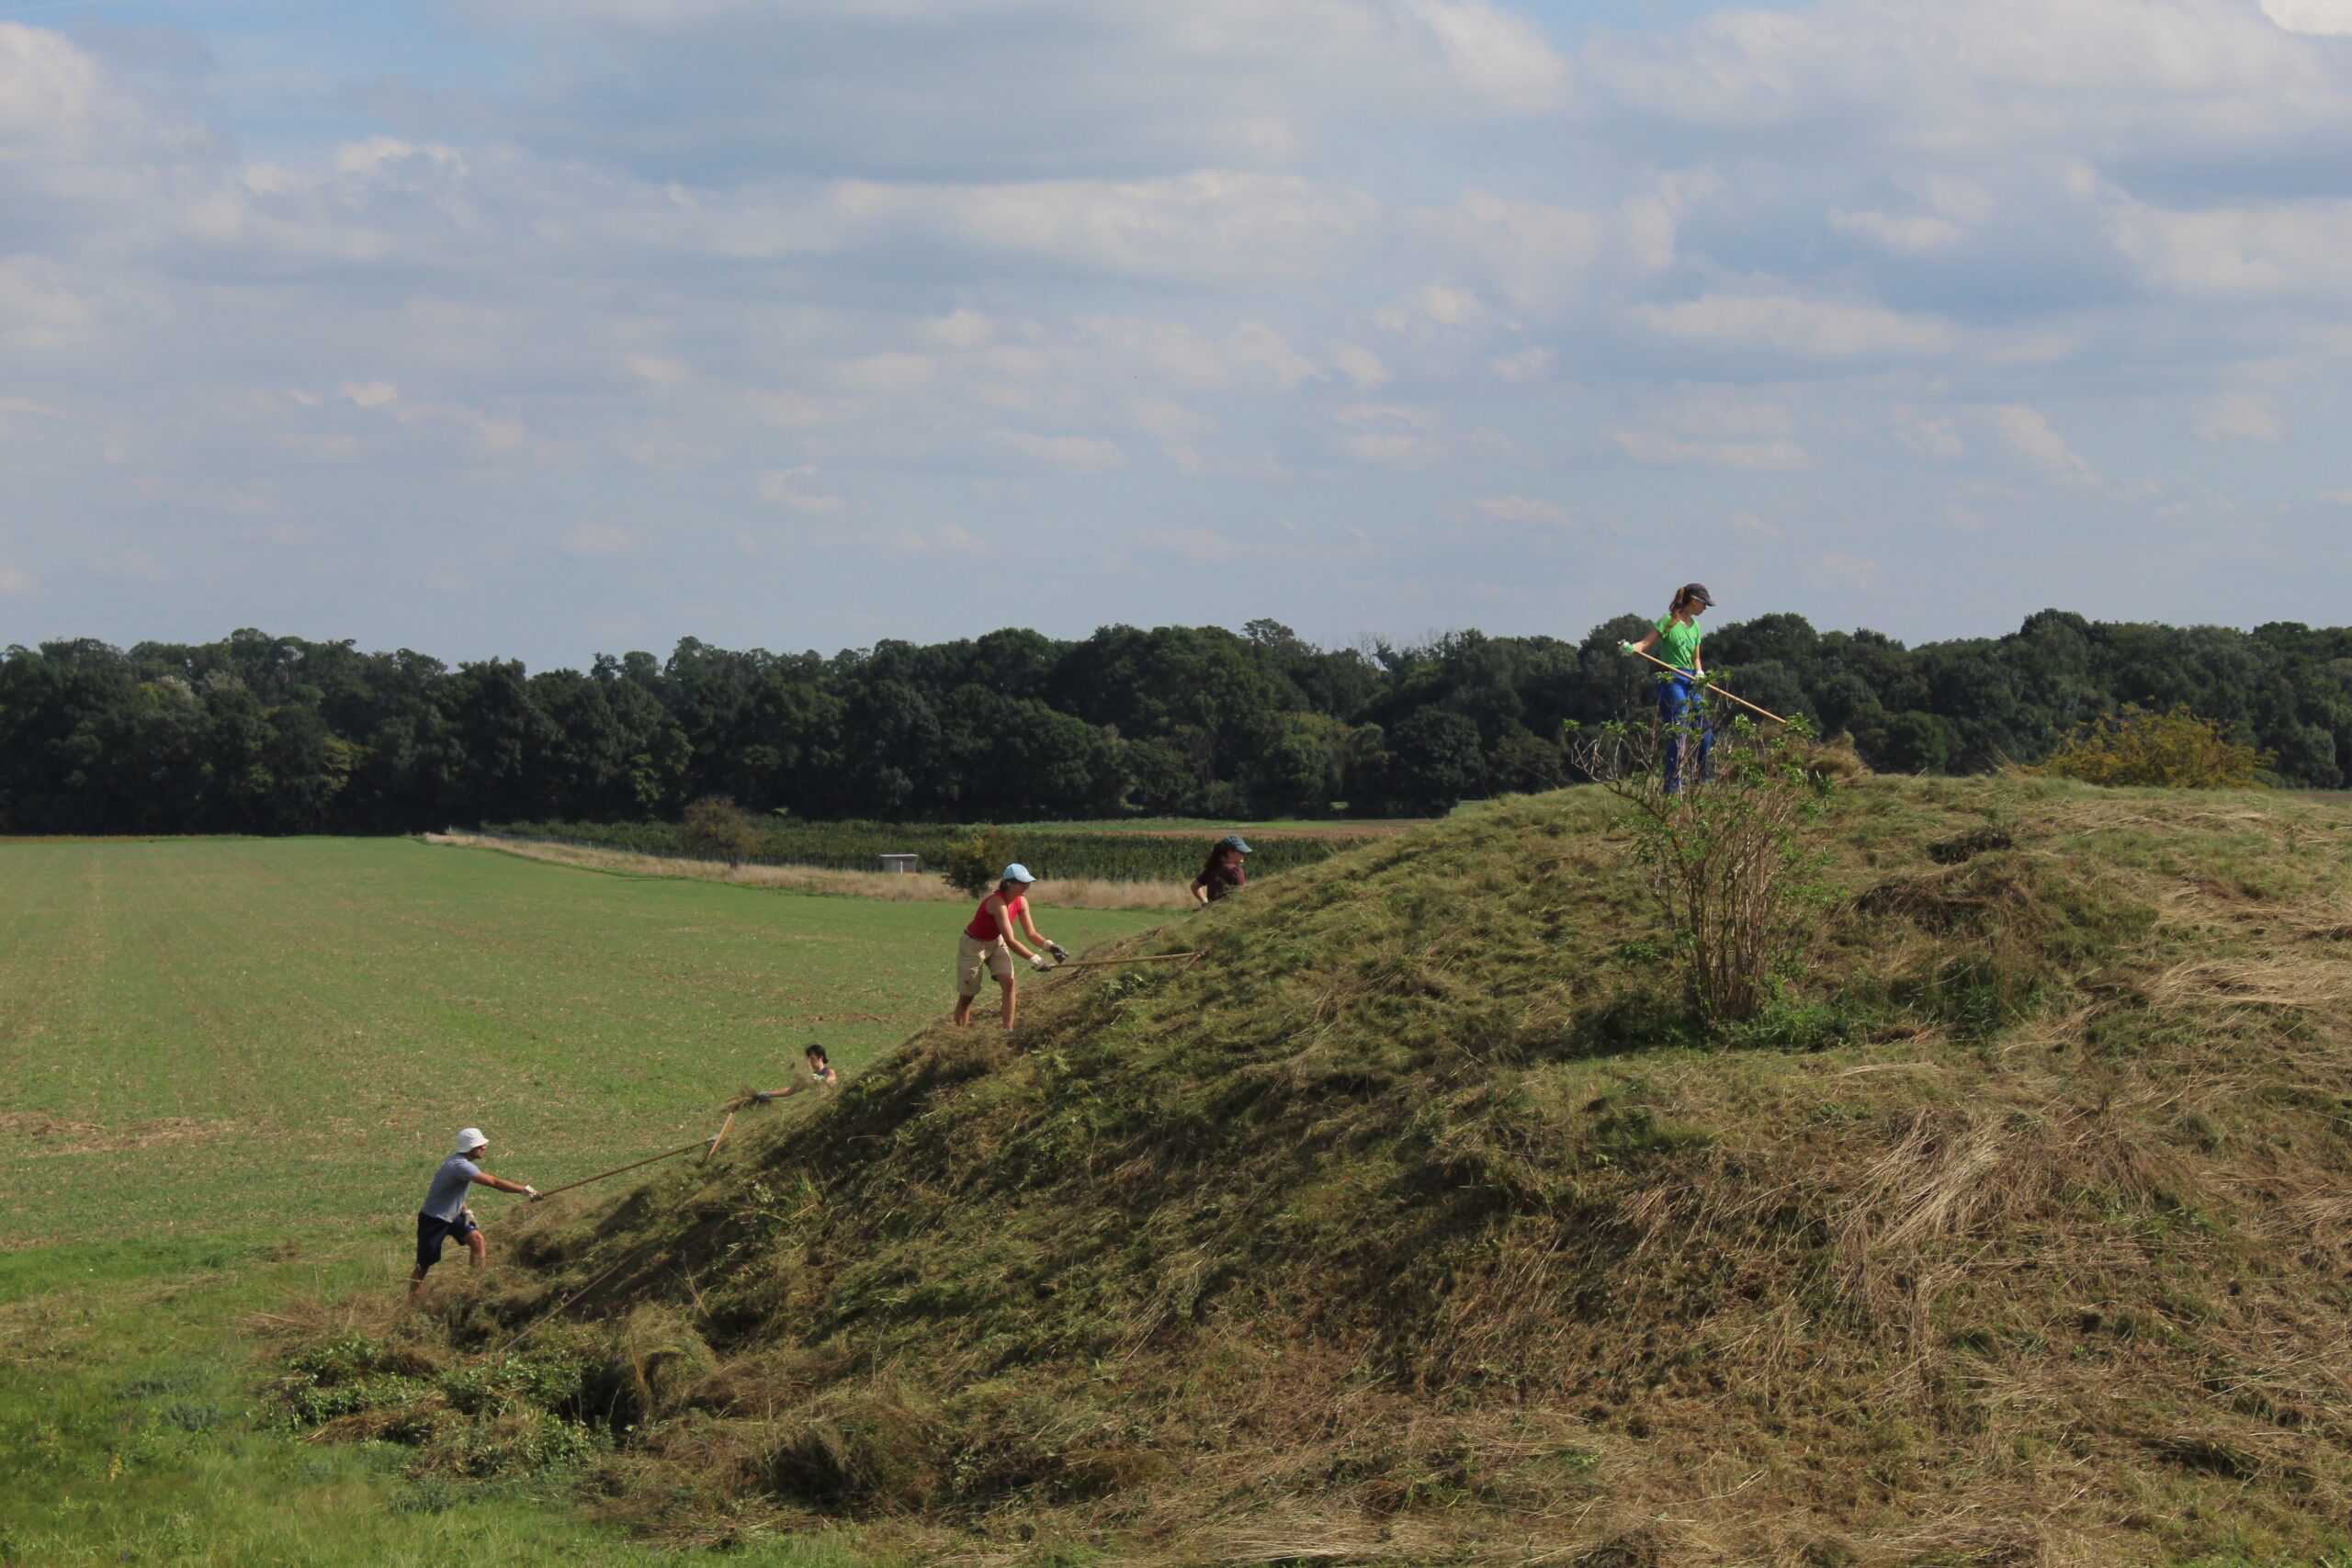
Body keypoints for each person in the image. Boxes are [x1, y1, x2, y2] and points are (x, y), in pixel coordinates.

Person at [410, 1127, 536, 1301]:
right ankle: (412, 1298)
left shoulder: (461, 1163)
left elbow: (454, 1192)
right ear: (470, 1148)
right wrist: (523, 1190)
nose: (484, 1147)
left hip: (454, 1215)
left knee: (477, 1240)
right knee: (424, 1262)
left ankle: (475, 1286)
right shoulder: (459, 1166)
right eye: (480, 1145)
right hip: (434, 1220)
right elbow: (493, 1182)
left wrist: (466, 1210)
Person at [1622, 582, 1716, 795]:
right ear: (1694, 602)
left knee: (1705, 730)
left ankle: (1702, 778)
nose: (1705, 609)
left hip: (1692, 679)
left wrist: (1700, 673)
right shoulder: (1668, 621)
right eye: (1704, 604)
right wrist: (1630, 648)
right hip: (1672, 678)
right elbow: (1644, 645)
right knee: (1679, 727)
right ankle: (1672, 785)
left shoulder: (1696, 626)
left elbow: (1696, 657)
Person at [954, 863, 1067, 1031]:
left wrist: (1050, 947)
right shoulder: (997, 903)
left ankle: (1007, 1030)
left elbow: (1031, 934)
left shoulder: (1021, 901)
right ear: (1008, 883)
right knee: (968, 996)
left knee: (1010, 982)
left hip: (996, 942)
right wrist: (1036, 960)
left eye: (1028, 882)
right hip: (974, 945)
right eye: (1022, 883)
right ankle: (959, 1034)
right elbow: (1011, 940)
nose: (1027, 886)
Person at [753, 1043, 838, 1102]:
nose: (809, 1062)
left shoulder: (829, 1072)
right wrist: (768, 1094)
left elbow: (828, 1082)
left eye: (812, 1059)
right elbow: (790, 1091)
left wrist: (813, 1078)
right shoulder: (809, 1077)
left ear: (820, 1057)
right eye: (808, 1059)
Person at [1190, 834, 1251, 907]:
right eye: (1242, 852)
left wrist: (1205, 902)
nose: (1244, 855)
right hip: (1230, 914)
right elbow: (1241, 898)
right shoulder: (1236, 871)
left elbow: (1194, 886)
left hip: (1212, 915)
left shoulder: (1212, 868)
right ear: (1230, 852)